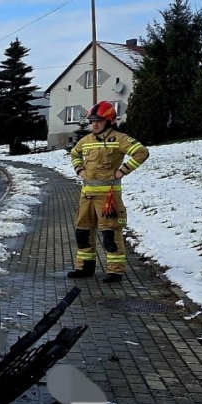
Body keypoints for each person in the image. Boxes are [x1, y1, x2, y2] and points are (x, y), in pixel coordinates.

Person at [66, 101, 149, 282]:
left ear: (109, 121)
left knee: (110, 234)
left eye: (99, 121)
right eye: (92, 121)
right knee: (83, 232)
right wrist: (79, 170)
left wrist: (123, 170)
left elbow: (141, 152)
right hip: (86, 196)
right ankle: (84, 268)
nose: (94, 124)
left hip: (108, 198)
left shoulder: (119, 139)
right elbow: (74, 154)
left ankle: (115, 271)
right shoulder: (86, 140)